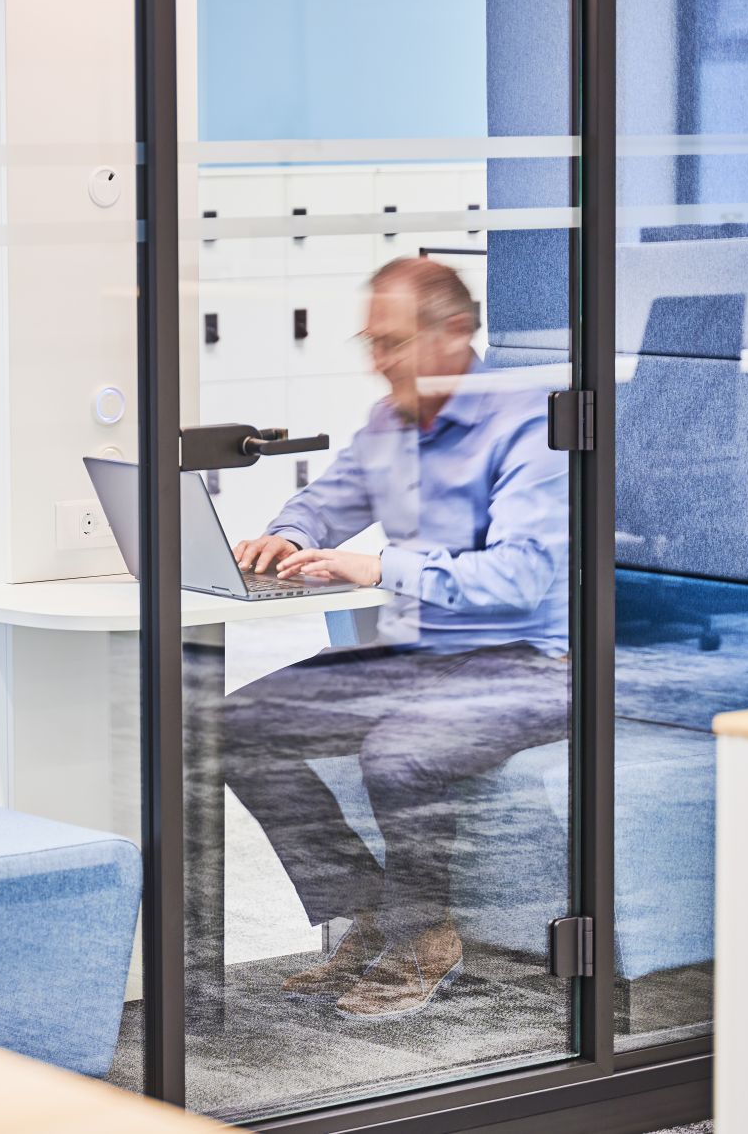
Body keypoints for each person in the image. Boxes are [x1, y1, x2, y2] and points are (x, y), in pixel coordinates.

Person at [221, 256, 568, 1020]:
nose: (378, 362)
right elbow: (330, 497)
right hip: (420, 652)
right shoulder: (391, 422)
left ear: (456, 332)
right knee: (239, 725)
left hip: (530, 660)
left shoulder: (529, 424)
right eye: (371, 342)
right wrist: (288, 534)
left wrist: (381, 565)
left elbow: (520, 577)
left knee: (399, 751)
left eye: (393, 342)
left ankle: (424, 938)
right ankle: (369, 911)